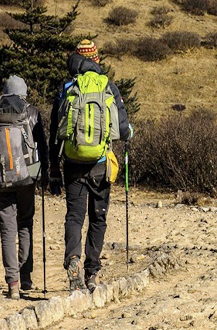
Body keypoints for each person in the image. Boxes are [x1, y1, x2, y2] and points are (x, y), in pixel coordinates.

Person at [49, 39, 131, 292]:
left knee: (74, 216)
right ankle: (92, 272)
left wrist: (53, 169)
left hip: (72, 163)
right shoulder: (109, 87)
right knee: (98, 218)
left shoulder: (67, 88)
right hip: (100, 164)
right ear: (96, 59)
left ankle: (73, 259)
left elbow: (55, 131)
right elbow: (122, 130)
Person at [0, 76, 48, 299]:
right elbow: (40, 147)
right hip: (26, 177)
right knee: (25, 222)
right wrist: (41, 175)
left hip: (1, 179)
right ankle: (26, 275)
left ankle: (13, 283)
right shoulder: (32, 112)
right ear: (23, 93)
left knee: (7, 228)